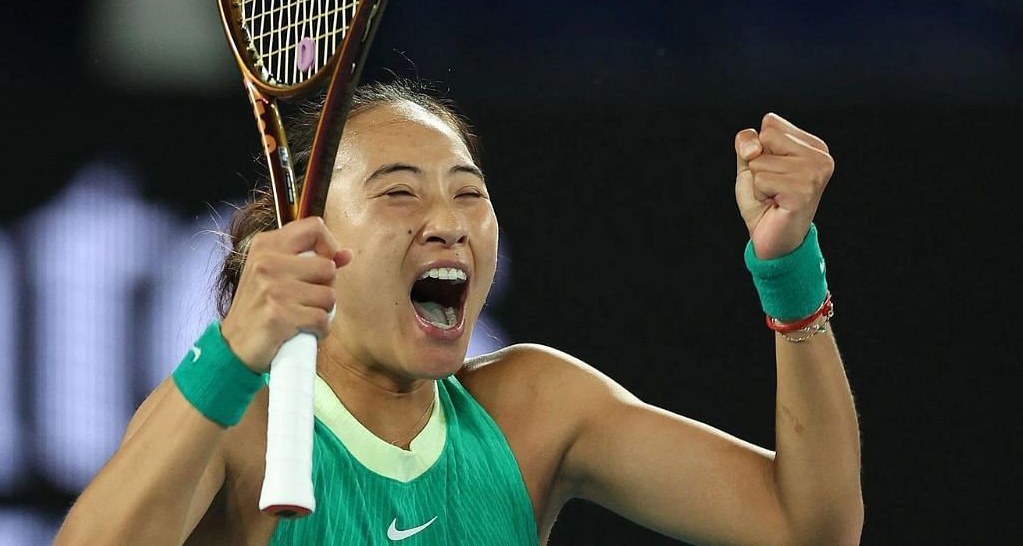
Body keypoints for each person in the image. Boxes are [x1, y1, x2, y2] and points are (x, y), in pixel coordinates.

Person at [53, 81, 863, 545]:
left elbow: (810, 527)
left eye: (469, 193)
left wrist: (788, 272)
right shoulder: (244, 429)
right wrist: (232, 351)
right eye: (398, 191)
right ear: (305, 237)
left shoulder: (532, 410)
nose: (448, 222)